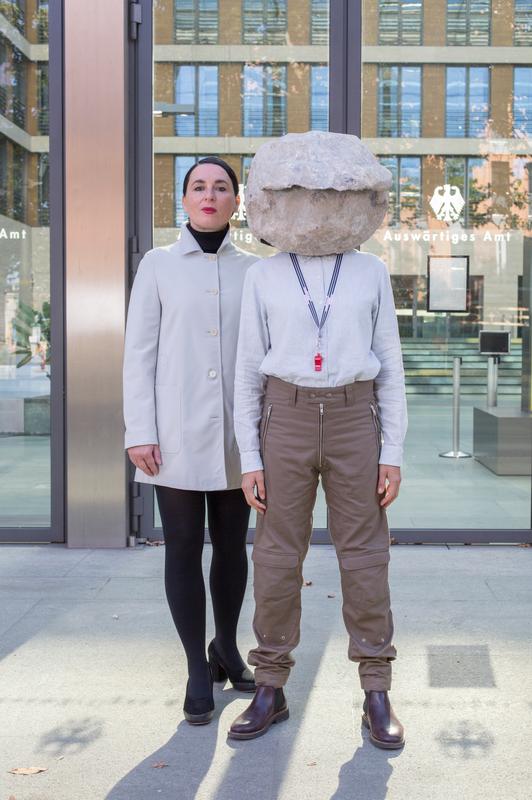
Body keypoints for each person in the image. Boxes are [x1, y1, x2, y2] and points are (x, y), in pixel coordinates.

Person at [228, 133, 408, 748]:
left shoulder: (370, 272)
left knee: (365, 554)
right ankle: (270, 685)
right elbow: (248, 371)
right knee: (278, 555)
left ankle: (376, 689)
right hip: (288, 414)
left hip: (358, 418)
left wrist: (393, 451)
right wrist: (250, 457)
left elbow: (390, 362)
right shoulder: (265, 276)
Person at [123, 157, 257, 725]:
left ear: (236, 200)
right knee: (182, 548)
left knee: (232, 546)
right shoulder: (157, 265)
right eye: (198, 186)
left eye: (221, 187)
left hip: (235, 434)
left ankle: (225, 646)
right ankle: (195, 670)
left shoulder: (256, 270)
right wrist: (139, 432)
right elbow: (138, 355)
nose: (209, 195)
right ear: (183, 200)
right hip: (170, 433)